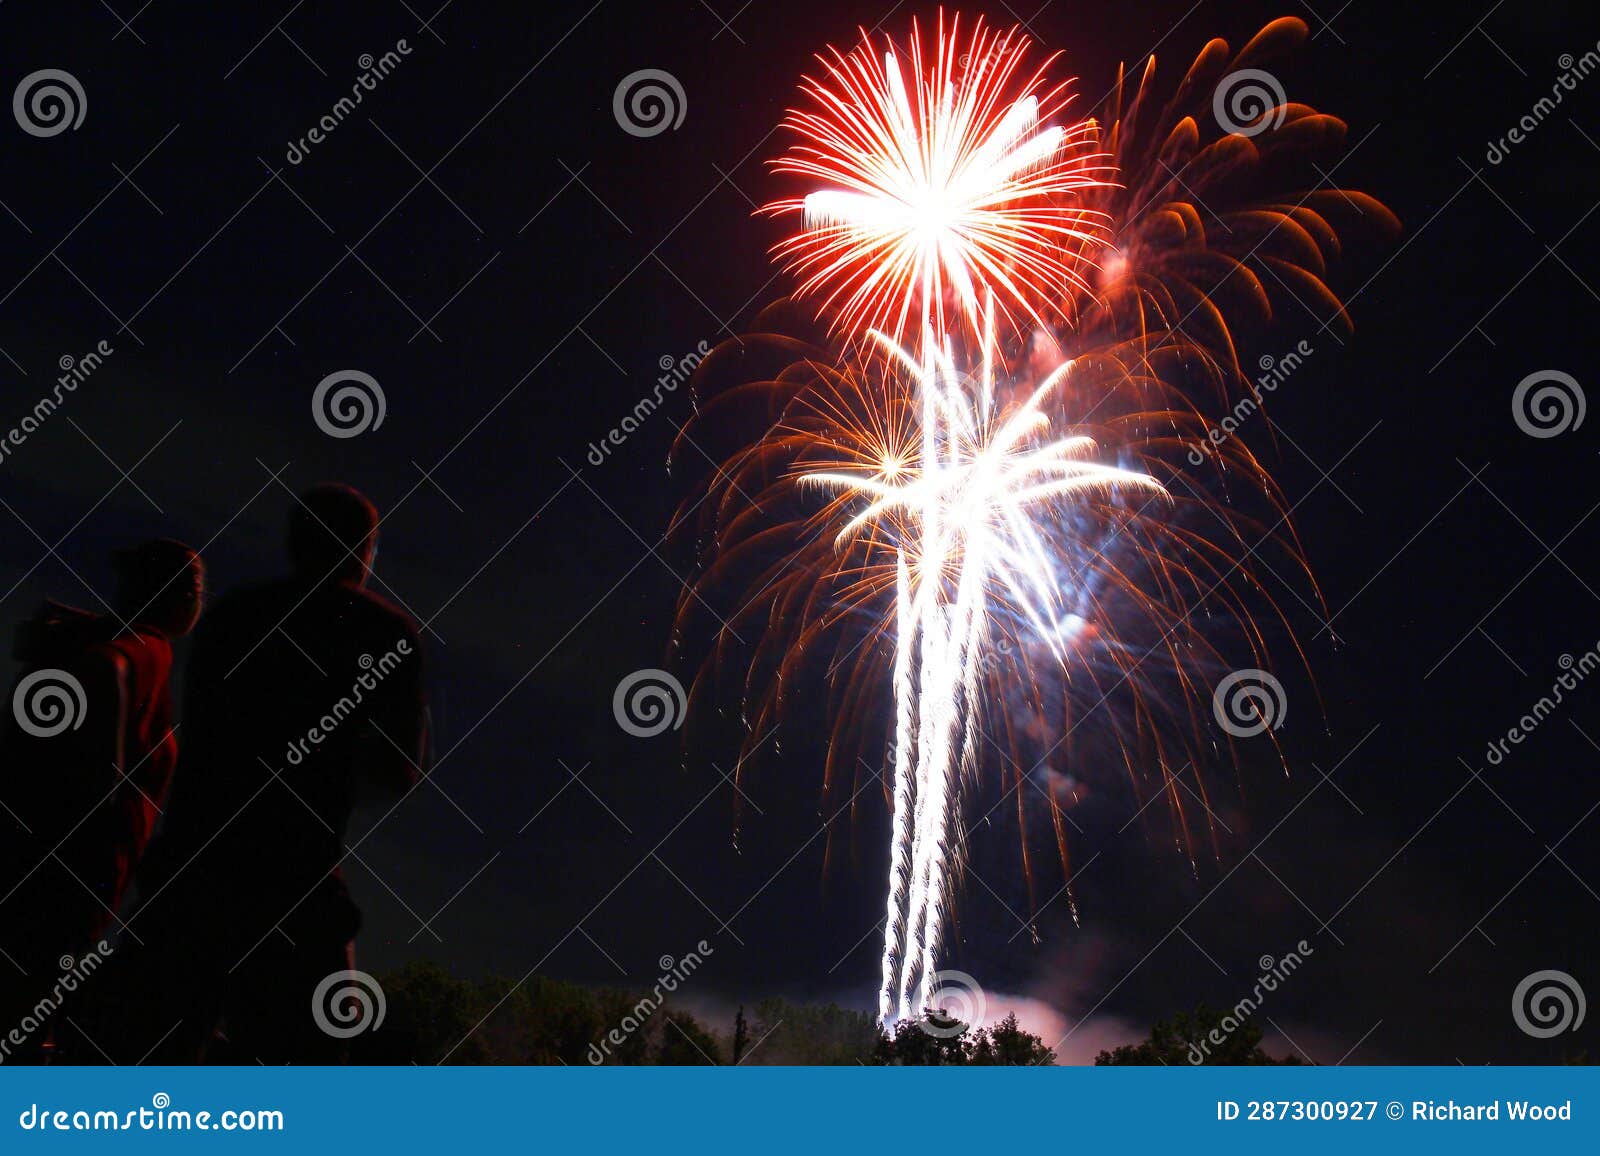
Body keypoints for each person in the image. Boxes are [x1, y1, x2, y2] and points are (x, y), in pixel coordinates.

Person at [133, 484, 427, 1063]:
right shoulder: (386, 635)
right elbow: (398, 769)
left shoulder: (232, 619)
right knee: (312, 1058)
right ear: (365, 553)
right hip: (298, 879)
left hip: (197, 868)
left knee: (155, 1053)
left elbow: (199, 747)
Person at [0, 539, 204, 1063]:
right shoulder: (147, 648)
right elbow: (104, 671)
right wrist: (103, 794)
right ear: (177, 595)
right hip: (67, 884)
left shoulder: (114, 640)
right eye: (197, 588)